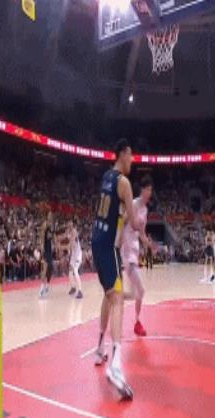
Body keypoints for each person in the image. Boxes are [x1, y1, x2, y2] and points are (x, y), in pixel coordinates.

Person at [91, 139, 141, 400]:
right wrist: (137, 218)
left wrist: (121, 215)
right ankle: (117, 364)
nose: (133, 160)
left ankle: (100, 349)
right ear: (123, 154)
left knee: (109, 296)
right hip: (109, 246)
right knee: (119, 299)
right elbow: (133, 221)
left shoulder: (106, 177)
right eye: (131, 155)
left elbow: (112, 211)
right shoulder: (124, 182)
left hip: (96, 240)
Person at [121, 175, 152, 337]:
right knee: (141, 290)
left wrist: (149, 244)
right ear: (142, 190)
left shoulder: (145, 210)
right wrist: (118, 243)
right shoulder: (132, 204)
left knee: (135, 294)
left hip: (135, 251)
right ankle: (137, 323)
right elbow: (122, 223)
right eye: (147, 189)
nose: (149, 193)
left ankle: (116, 298)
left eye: (151, 190)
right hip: (127, 253)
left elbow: (142, 234)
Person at [38, 212, 55, 297]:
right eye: (49, 215)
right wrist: (42, 247)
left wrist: (54, 244)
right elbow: (42, 236)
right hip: (45, 249)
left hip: (49, 249)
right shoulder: (45, 225)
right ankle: (41, 289)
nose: (50, 216)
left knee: (51, 267)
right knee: (44, 269)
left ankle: (47, 285)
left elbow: (52, 237)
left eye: (51, 215)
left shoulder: (52, 226)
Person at [67, 220, 83, 299]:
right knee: (70, 272)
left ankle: (80, 291)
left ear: (72, 226)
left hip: (78, 256)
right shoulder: (69, 233)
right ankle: (73, 287)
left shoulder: (74, 232)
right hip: (73, 255)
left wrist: (63, 247)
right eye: (68, 226)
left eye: (70, 225)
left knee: (75, 271)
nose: (69, 227)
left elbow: (72, 244)